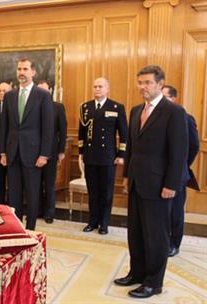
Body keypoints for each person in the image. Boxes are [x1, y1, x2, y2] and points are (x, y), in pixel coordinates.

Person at [114, 66, 188, 298]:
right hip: (136, 182)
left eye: (147, 83)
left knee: (156, 236)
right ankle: (137, 273)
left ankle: (153, 283)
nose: (142, 87)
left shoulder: (174, 112)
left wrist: (172, 184)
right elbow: (132, 149)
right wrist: (126, 177)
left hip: (159, 186)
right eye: (140, 83)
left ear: (160, 84)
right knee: (135, 233)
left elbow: (179, 152)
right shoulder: (136, 111)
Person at [0, 58, 54, 230]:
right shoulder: (9, 96)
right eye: (19, 69)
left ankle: (30, 230)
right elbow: (4, 127)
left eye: (25, 69)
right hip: (13, 152)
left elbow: (48, 128)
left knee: (32, 195)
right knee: (13, 195)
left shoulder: (43, 95)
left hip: (33, 154)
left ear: (33, 72)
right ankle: (15, 230)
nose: (21, 72)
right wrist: (3, 152)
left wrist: (44, 154)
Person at [78, 77, 127, 235]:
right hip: (91, 156)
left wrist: (121, 154)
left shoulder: (116, 107)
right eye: (95, 86)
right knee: (93, 192)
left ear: (107, 89)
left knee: (106, 192)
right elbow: (82, 133)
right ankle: (92, 221)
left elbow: (124, 134)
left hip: (108, 157)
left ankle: (104, 223)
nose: (97, 89)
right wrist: (81, 152)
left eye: (100, 86)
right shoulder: (86, 107)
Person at [162, 85, 199, 257]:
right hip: (159, 173)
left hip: (177, 174)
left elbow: (194, 146)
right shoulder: (156, 117)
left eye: (165, 97)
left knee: (176, 211)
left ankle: (174, 243)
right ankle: (161, 240)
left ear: (173, 98)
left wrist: (181, 166)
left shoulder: (186, 118)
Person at [37, 80, 67, 223]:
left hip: (52, 151)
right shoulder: (33, 107)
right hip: (34, 151)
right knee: (36, 183)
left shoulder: (58, 107)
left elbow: (63, 130)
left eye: (44, 90)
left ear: (49, 91)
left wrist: (61, 150)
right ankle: (37, 210)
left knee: (49, 183)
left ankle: (49, 212)